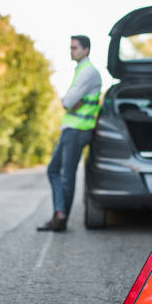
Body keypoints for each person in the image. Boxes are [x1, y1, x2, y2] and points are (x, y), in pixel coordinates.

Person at [37, 35, 102, 231]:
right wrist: (71, 103)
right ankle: (59, 212)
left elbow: (68, 101)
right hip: (71, 129)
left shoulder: (88, 72)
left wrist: (70, 103)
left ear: (86, 50)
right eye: (71, 47)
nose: (71, 51)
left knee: (66, 175)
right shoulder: (81, 70)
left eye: (75, 48)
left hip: (77, 130)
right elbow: (70, 102)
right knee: (53, 170)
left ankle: (60, 218)